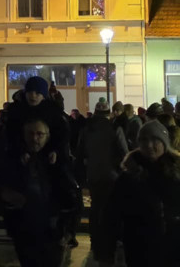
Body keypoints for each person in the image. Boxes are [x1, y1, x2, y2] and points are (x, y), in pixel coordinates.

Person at [0, 118, 77, 267]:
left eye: (39, 134)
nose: (35, 138)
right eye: (31, 134)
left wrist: (68, 232)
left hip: (52, 230)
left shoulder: (57, 163)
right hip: (25, 230)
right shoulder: (16, 161)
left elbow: (72, 197)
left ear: (47, 136)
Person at [108, 120, 180, 265]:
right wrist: (114, 244)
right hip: (139, 247)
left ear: (164, 143)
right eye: (144, 140)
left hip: (173, 246)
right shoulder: (129, 176)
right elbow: (113, 211)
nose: (149, 145)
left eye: (155, 140)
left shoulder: (176, 173)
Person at [75, 100, 127, 264]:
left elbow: (79, 153)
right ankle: (109, 242)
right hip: (112, 175)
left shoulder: (87, 130)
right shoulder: (115, 129)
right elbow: (124, 153)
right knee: (110, 208)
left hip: (93, 175)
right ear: (109, 113)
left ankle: (96, 240)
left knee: (96, 207)